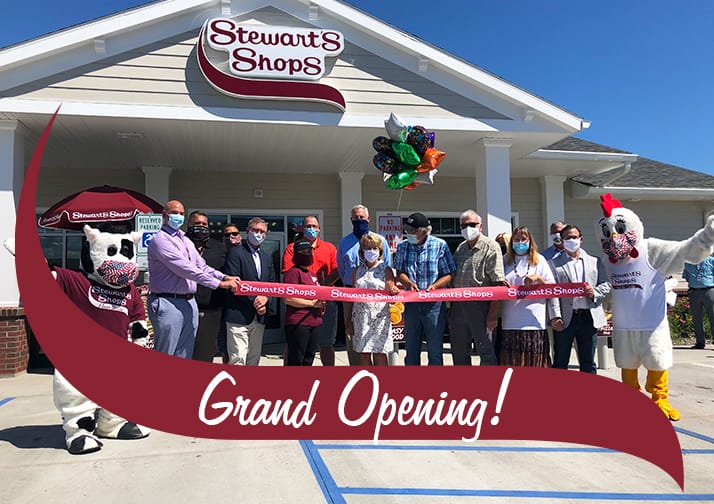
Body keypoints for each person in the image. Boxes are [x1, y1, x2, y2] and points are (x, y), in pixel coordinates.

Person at [147, 200, 239, 359]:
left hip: (189, 302)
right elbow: (185, 269)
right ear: (164, 215)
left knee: (185, 354)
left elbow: (202, 266)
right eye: (174, 213)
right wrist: (219, 284)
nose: (178, 217)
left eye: (181, 214)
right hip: (168, 302)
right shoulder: (160, 240)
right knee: (166, 353)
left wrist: (224, 276)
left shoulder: (184, 239)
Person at [393, 212, 456, 366]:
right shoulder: (402, 246)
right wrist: (408, 283)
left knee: (435, 351)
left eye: (413, 231)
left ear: (424, 231)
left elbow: (449, 274)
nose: (409, 234)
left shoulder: (439, 245)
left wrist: (435, 286)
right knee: (411, 349)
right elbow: (399, 271)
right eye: (407, 230)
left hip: (434, 305)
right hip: (411, 303)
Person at [549, 225, 611, 373]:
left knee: (588, 362)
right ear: (562, 241)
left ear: (581, 239)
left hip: (589, 317)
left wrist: (595, 292)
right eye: (567, 238)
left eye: (574, 237)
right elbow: (552, 293)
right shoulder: (554, 264)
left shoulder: (594, 261)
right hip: (565, 318)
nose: (571, 240)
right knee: (560, 361)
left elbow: (607, 284)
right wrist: (555, 316)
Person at [449, 209, 505, 366]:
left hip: (482, 306)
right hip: (459, 305)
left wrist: (493, 312)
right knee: (459, 351)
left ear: (480, 226)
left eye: (472, 224)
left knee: (486, 350)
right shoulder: (460, 248)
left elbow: (498, 283)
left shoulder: (491, 246)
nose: (468, 228)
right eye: (463, 225)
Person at [337, 204, 392, 365]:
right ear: (351, 219)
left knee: (379, 350)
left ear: (368, 219)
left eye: (362, 217)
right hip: (353, 298)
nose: (359, 220)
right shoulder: (344, 242)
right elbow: (341, 268)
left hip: (379, 306)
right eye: (356, 217)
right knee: (357, 347)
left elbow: (387, 266)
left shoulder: (380, 240)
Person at [281, 215, 339, 365]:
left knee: (325, 344)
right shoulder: (292, 248)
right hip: (300, 307)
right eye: (308, 226)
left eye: (314, 226)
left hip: (324, 302)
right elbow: (289, 273)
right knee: (295, 348)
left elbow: (336, 271)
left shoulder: (329, 248)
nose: (311, 229)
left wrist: (323, 292)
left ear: (319, 229)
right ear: (302, 228)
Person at [497, 225, 555, 367]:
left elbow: (552, 288)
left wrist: (538, 279)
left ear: (530, 241)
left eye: (524, 239)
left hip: (534, 322)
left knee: (535, 363)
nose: (520, 242)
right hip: (511, 323)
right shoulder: (505, 260)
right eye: (516, 239)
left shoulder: (539, 260)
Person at [222, 217, 276, 366]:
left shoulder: (266, 257)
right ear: (247, 232)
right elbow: (235, 283)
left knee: (253, 359)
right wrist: (255, 301)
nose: (259, 234)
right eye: (256, 230)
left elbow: (271, 283)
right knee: (238, 358)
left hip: (259, 317)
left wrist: (265, 298)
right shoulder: (236, 253)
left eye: (262, 232)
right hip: (238, 316)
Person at [348, 233, 400, 365]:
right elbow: (352, 297)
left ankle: (382, 384)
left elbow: (392, 295)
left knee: (379, 354)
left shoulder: (386, 270)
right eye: (368, 248)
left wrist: (394, 292)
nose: (371, 251)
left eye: (374, 248)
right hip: (361, 318)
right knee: (363, 355)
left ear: (380, 250)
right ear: (362, 250)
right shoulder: (357, 271)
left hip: (380, 319)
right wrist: (349, 321)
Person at [283, 238, 327, 366]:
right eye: (304, 251)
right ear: (297, 253)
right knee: (297, 359)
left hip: (315, 321)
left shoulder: (312, 274)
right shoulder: (293, 273)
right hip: (298, 322)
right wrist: (311, 304)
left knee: (309, 358)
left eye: (309, 251)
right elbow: (288, 299)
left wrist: (321, 302)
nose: (308, 254)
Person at [682, 254, 714, 349]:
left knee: (713, 316)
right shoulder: (688, 263)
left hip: (709, 291)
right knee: (697, 318)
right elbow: (686, 276)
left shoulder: (711, 260)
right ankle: (700, 342)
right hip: (694, 292)